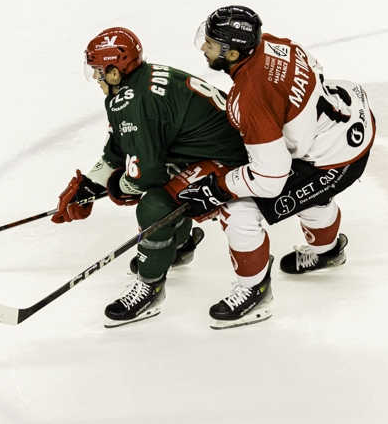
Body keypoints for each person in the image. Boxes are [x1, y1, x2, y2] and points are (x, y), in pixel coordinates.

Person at [177, 6, 376, 329]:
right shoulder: (270, 43)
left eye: (211, 44)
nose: (204, 48)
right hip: (351, 123)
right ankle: (327, 251)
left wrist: (219, 188)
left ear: (233, 52)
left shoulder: (251, 97)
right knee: (307, 192)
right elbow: (316, 69)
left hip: (334, 159)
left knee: (235, 209)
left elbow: (270, 178)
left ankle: (254, 291)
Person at [51, 27, 248, 328]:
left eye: (98, 71)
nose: (95, 78)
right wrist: (90, 185)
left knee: (154, 205)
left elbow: (145, 176)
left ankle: (150, 288)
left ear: (115, 72)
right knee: (164, 186)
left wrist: (118, 186)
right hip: (203, 150)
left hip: (231, 159)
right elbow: (120, 149)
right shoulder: (134, 88)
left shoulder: (136, 102)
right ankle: (178, 245)